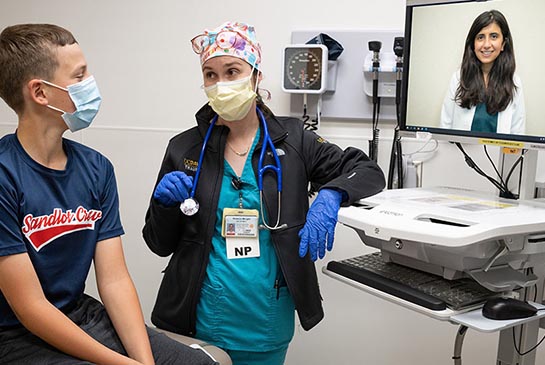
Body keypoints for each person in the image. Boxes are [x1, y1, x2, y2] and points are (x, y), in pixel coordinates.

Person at [142, 21, 385, 365]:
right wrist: (164, 205)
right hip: (199, 320)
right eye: (210, 74)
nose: (221, 83)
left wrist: (332, 195)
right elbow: (158, 243)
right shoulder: (185, 148)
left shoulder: (294, 140)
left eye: (232, 71)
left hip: (265, 322)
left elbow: (368, 171)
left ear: (256, 76)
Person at [0, 23, 217, 365]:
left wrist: (144, 362)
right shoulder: (4, 175)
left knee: (199, 363)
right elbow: (31, 308)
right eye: (79, 75)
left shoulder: (96, 168)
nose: (91, 84)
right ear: (40, 93)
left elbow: (114, 279)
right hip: (14, 335)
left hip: (81, 314)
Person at [440, 10, 525, 134]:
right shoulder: (458, 78)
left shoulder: (514, 82)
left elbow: (518, 131)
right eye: (480, 37)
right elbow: (445, 124)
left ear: (503, 44)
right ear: (473, 44)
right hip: (460, 151)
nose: (486, 44)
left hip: (497, 153)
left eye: (494, 36)